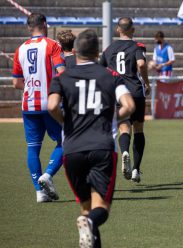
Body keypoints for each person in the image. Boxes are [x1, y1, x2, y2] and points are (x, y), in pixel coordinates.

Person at [47, 29, 135, 248]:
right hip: (102, 147)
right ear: (98, 53)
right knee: (100, 209)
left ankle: (87, 223)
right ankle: (88, 221)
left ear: (75, 51)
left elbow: (51, 106)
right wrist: (108, 116)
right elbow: (130, 106)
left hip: (73, 149)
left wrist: (66, 122)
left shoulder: (61, 77)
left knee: (86, 208)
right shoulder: (111, 76)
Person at [12, 13, 65, 203]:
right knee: (66, 140)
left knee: (33, 148)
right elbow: (62, 72)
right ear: (44, 24)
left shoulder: (20, 49)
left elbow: (16, 83)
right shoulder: (52, 45)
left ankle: (39, 192)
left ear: (28, 27)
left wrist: (31, 85)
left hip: (29, 104)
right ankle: (48, 175)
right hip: (49, 102)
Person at [100, 17, 150, 183]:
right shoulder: (137, 46)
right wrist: (147, 83)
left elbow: (100, 70)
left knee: (124, 127)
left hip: (118, 93)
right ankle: (136, 169)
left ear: (117, 30)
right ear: (133, 30)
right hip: (135, 91)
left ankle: (124, 152)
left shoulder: (109, 49)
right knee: (139, 129)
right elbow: (142, 64)